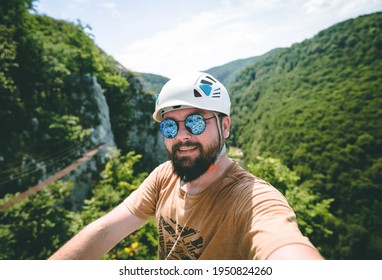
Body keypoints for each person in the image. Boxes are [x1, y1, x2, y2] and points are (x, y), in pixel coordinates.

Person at [49, 72, 324, 260]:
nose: (182, 136)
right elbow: (105, 231)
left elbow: (284, 247)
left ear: (224, 126)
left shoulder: (251, 199)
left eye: (195, 122)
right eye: (170, 126)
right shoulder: (163, 177)